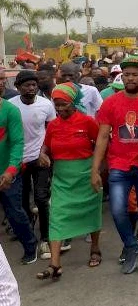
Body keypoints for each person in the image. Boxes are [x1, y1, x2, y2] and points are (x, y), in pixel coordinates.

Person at [92, 55, 138, 275]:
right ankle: (131, 247)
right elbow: (102, 137)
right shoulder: (111, 102)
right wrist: (95, 169)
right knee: (118, 211)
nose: (130, 78)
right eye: (126, 74)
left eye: (135, 74)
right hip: (118, 165)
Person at [36, 83, 101, 281]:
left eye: (63, 104)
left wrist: (97, 172)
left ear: (73, 102)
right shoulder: (54, 125)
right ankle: (55, 264)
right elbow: (46, 146)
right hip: (62, 178)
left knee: (91, 212)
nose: (60, 108)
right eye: (56, 104)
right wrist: (42, 154)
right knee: (57, 216)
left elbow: (101, 144)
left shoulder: (87, 122)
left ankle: (95, 248)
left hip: (85, 174)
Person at [9, 70, 55, 261]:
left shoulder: (46, 104)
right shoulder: (11, 107)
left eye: (34, 85)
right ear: (18, 87)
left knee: (41, 198)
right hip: (19, 160)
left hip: (40, 158)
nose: (31, 88)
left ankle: (45, 238)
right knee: (21, 201)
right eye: (26, 85)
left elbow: (52, 130)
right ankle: (28, 229)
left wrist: (47, 153)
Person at [0, 85, 38, 266]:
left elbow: (17, 143)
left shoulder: (10, 111)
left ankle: (31, 246)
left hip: (8, 175)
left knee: (15, 213)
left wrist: (10, 171)